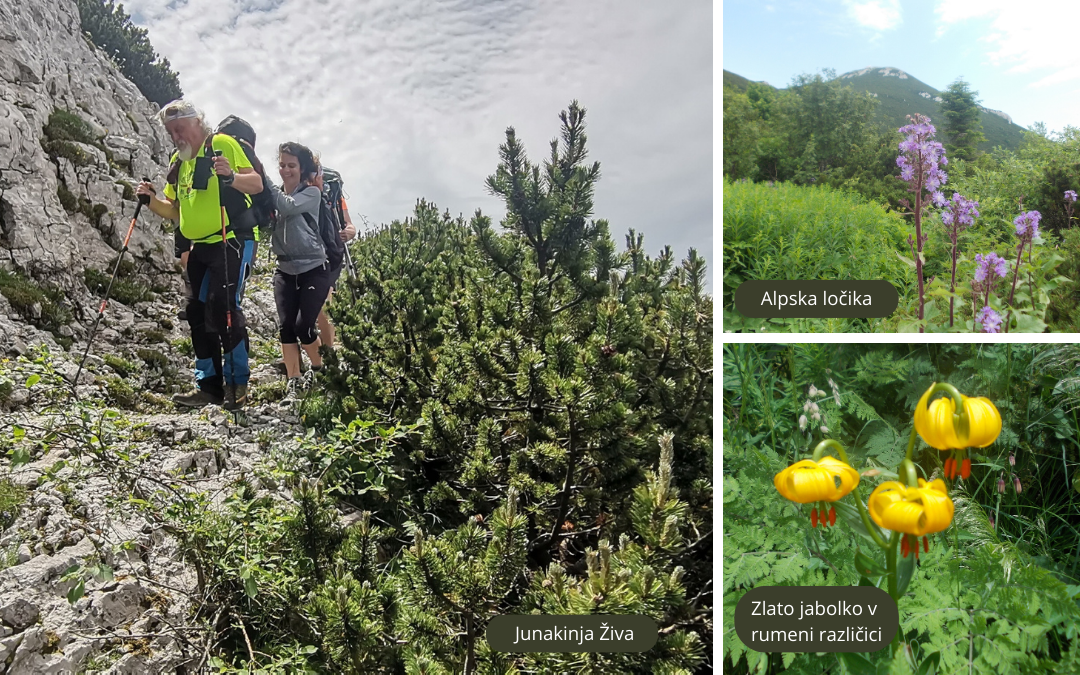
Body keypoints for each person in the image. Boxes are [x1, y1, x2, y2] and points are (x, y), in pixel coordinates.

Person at [137, 99, 262, 411]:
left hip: (232, 238)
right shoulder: (179, 161)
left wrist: (231, 176)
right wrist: (150, 200)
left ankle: (237, 382)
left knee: (224, 307)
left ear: (197, 123)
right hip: (201, 245)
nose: (176, 136)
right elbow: (175, 212)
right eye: (170, 131)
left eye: (180, 128)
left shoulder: (221, 143)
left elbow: (256, 184)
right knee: (195, 310)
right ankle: (209, 386)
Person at [263, 142, 331, 399]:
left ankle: (319, 369)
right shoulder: (276, 195)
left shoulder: (311, 193)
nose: (285, 170)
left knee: (304, 326)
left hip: (314, 268)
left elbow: (289, 206)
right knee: (286, 327)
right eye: (281, 165)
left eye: (291, 165)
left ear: (302, 169)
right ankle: (294, 380)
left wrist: (262, 178)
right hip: (284, 269)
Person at [313, 166, 356, 349]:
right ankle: (324, 350)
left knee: (324, 301)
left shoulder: (335, 196)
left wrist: (348, 232)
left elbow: (349, 224)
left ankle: (328, 349)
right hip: (324, 252)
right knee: (322, 303)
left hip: (330, 254)